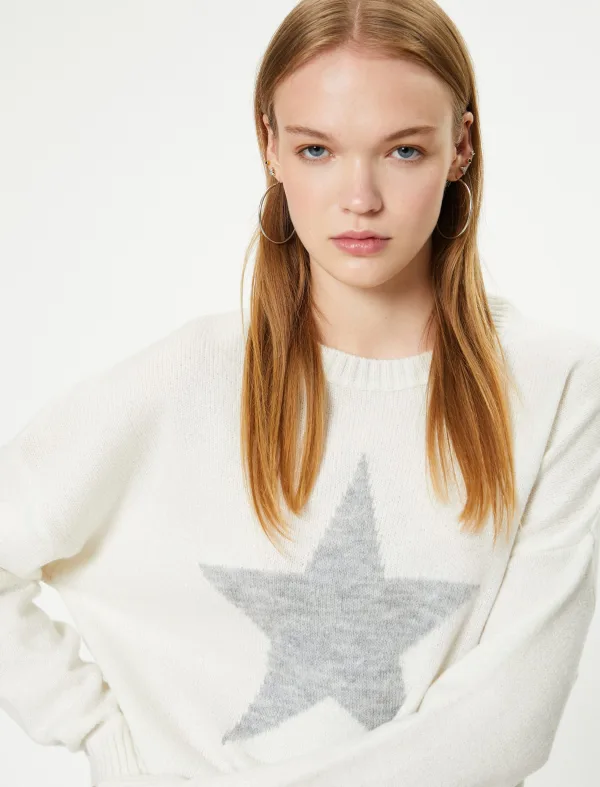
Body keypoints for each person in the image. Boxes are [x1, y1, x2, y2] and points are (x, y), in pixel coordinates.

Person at [1, 1, 599, 786]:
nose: (361, 197)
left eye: (404, 150)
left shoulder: (556, 384)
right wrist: (100, 733)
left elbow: (504, 728)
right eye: (318, 149)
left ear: (461, 146)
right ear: (270, 146)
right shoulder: (186, 379)